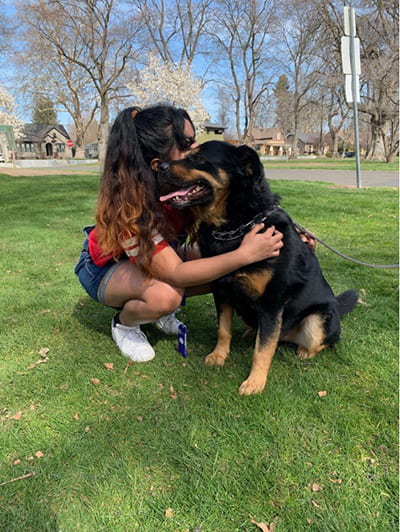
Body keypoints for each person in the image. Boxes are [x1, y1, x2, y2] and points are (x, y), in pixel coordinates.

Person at [74, 105, 284, 362]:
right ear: (156, 162)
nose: (196, 147)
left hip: (154, 255)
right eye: (186, 143)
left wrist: (285, 236)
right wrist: (244, 254)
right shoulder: (131, 205)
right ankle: (125, 323)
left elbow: (242, 212)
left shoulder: (183, 190)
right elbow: (176, 273)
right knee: (166, 295)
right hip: (104, 268)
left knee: (221, 268)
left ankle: (156, 313)